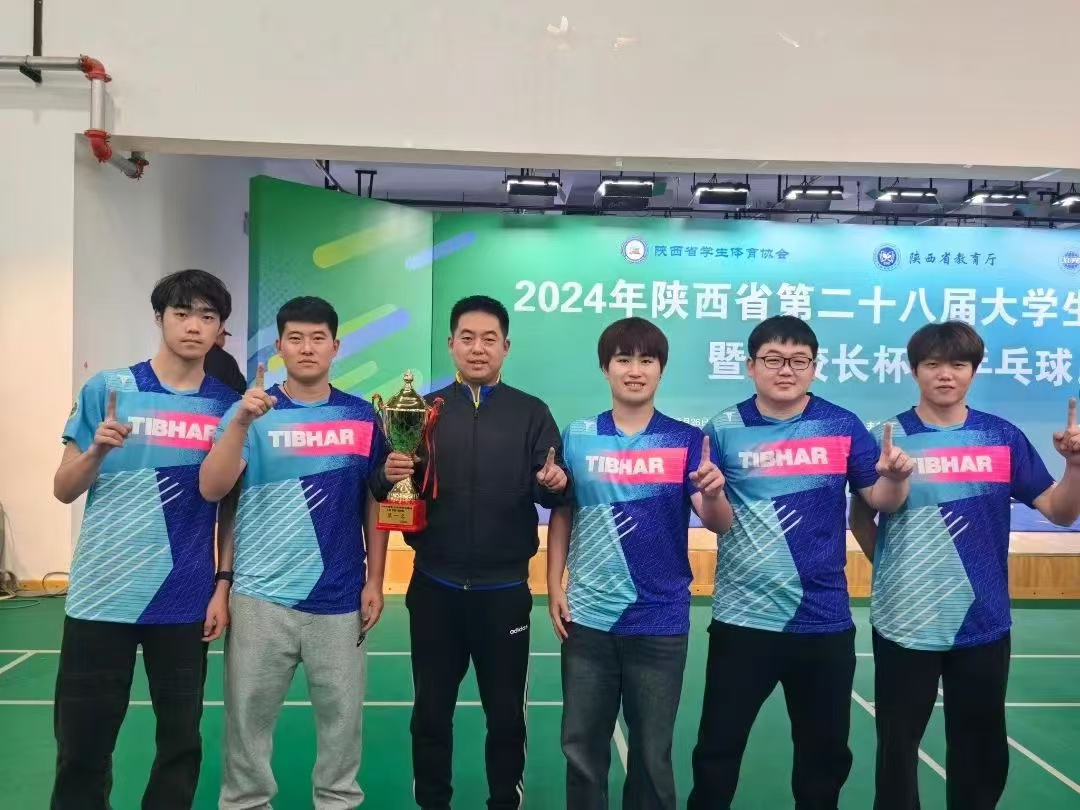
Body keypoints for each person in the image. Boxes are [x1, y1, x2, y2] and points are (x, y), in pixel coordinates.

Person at [849, 321, 1080, 810]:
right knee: (897, 749)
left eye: (958, 364)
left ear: (974, 371)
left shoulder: (1001, 436)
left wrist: (1075, 467)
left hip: (983, 620)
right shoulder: (888, 437)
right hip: (903, 622)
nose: (945, 374)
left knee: (980, 751)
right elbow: (861, 515)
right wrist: (889, 572)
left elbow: (1060, 512)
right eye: (932, 364)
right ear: (914, 370)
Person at [687, 314, 915, 810]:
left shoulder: (841, 425)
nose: (785, 370)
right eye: (772, 359)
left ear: (814, 367)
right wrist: (713, 495)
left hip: (823, 621)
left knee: (823, 758)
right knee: (717, 750)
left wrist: (896, 479)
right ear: (750, 366)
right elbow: (716, 522)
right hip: (742, 620)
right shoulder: (723, 429)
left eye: (798, 360)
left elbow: (879, 499)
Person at [51, 269, 240, 810]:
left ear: (220, 330)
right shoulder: (109, 390)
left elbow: (229, 507)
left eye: (207, 316)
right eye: (182, 313)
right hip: (101, 596)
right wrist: (96, 451)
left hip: (182, 598)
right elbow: (63, 489)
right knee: (82, 747)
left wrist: (222, 584)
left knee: (179, 745)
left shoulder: (226, 407)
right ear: (159, 318)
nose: (193, 326)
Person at [378, 295, 571, 810]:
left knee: (506, 718)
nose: (478, 348)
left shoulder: (532, 413)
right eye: (468, 338)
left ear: (506, 347)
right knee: (430, 714)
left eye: (489, 339)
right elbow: (384, 486)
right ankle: (433, 802)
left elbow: (554, 486)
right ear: (451, 344)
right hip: (434, 589)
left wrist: (554, 481)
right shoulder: (422, 410)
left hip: (504, 593)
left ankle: (504, 802)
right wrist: (388, 474)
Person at [201, 296, 389, 810]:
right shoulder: (250, 412)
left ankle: (336, 802)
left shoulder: (361, 416)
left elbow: (375, 499)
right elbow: (218, 492)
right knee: (246, 728)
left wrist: (376, 578)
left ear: (335, 346)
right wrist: (240, 421)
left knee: (342, 730)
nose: (307, 348)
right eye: (296, 338)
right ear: (280, 346)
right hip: (259, 599)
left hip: (339, 599)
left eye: (318, 338)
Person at [546, 317, 732, 810]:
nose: (635, 370)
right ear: (605, 368)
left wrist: (715, 494)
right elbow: (563, 513)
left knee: (652, 754)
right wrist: (554, 585)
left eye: (646, 360)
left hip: (660, 620)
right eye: (623, 359)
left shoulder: (685, 440)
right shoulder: (578, 436)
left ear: (660, 370)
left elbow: (718, 523)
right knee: (582, 750)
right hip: (588, 617)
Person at [204, 328, 247, 395]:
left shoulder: (197, 356)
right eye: (223, 335)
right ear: (216, 335)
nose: (224, 339)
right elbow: (241, 386)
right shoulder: (226, 358)